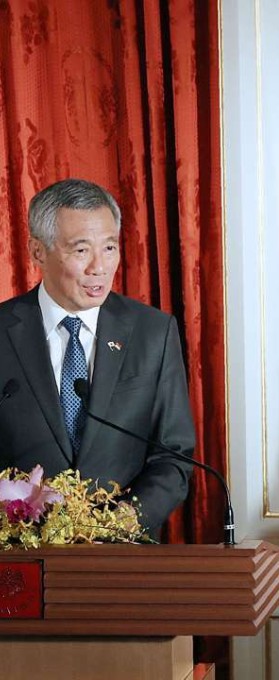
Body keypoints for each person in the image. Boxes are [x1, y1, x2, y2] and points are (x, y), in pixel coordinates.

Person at [0, 178, 194, 535]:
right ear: (38, 251)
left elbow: (174, 454)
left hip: (121, 558)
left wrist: (130, 518)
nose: (99, 267)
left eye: (109, 248)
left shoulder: (152, 332)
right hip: (20, 555)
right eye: (80, 250)